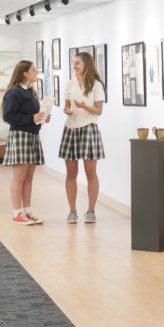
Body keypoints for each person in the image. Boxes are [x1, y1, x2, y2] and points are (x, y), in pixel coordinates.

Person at [59, 52, 105, 223]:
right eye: (73, 63)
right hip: (70, 129)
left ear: (86, 64)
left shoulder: (96, 85)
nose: (74, 66)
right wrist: (68, 110)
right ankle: (72, 211)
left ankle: (91, 211)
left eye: (77, 63)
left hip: (88, 129)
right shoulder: (70, 83)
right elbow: (66, 107)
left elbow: (99, 111)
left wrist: (84, 106)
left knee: (90, 173)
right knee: (71, 173)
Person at [2, 60, 50, 225]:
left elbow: (33, 115)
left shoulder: (31, 92)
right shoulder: (14, 92)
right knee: (19, 176)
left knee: (29, 177)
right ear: (24, 73)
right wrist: (31, 118)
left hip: (32, 136)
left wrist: (42, 118)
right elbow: (8, 116)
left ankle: (27, 211)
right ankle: (17, 213)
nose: (36, 72)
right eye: (33, 70)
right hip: (20, 136)